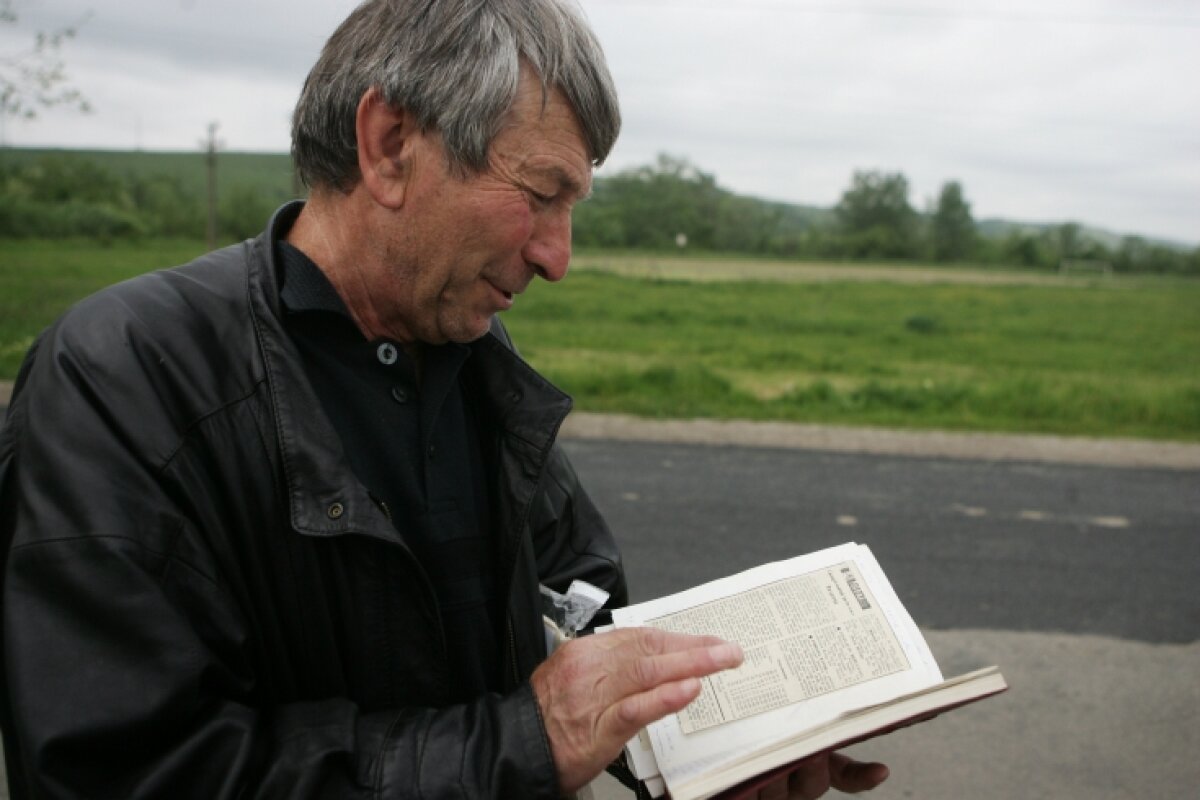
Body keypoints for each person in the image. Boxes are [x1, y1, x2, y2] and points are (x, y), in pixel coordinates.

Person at [0, 1, 888, 797]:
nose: (557, 257)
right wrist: (523, 745)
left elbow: (577, 610)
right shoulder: (122, 378)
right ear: (389, 145)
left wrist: (701, 745)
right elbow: (127, 771)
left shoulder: (471, 355)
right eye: (541, 196)